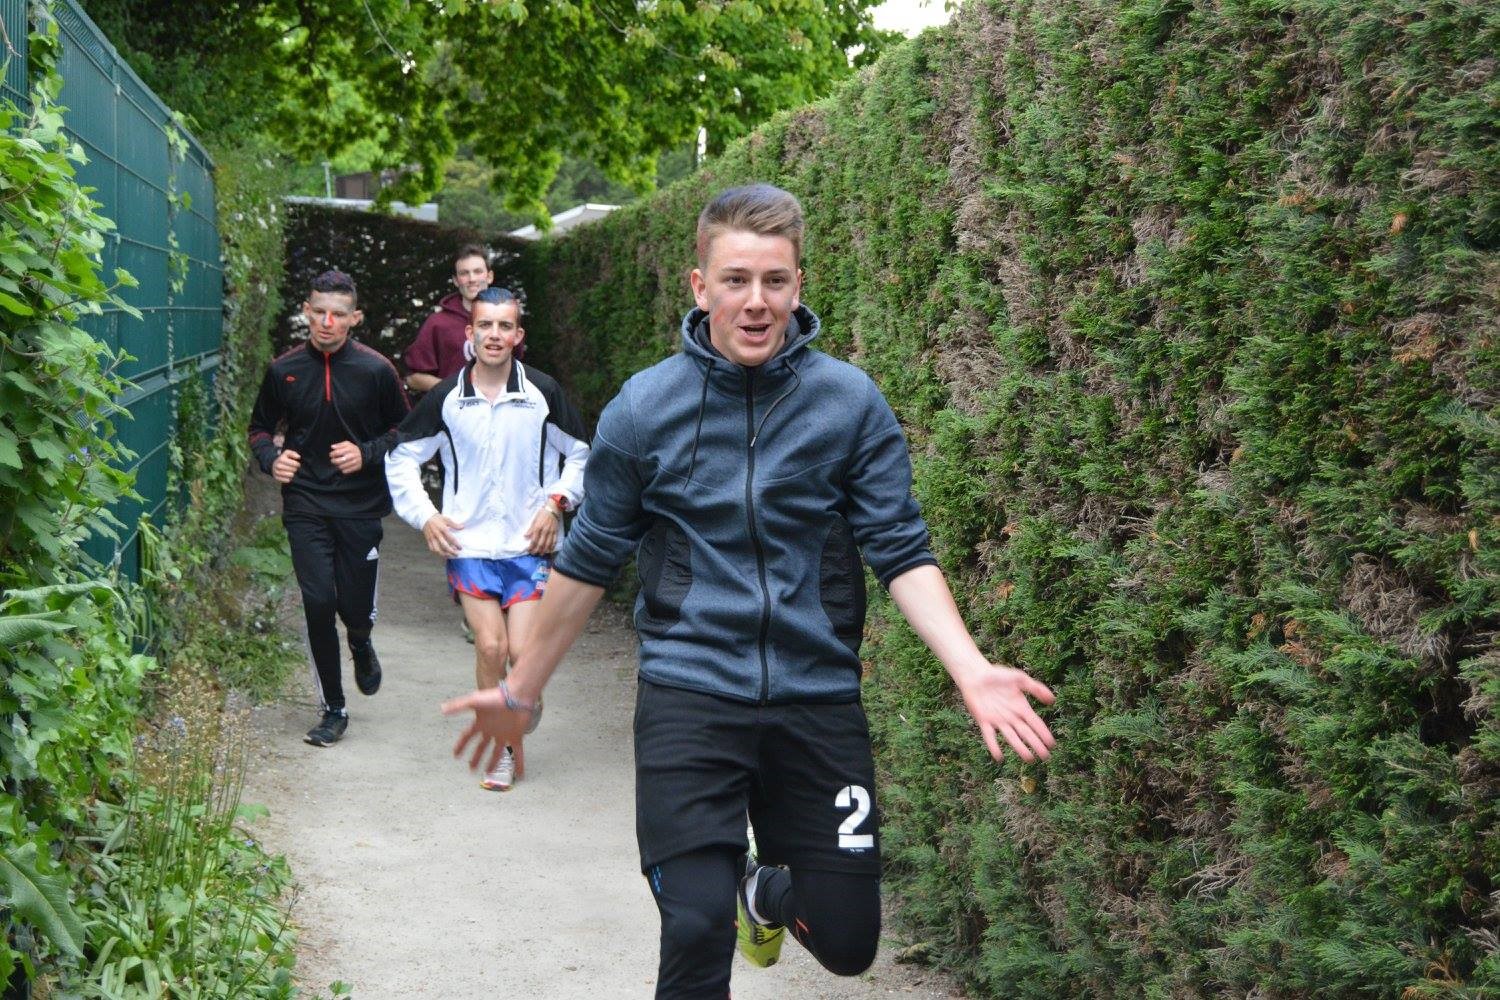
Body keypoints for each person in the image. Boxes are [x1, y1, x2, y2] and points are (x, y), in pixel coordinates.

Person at [441, 185, 1056, 995]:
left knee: (847, 942)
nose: (756, 301)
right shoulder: (645, 409)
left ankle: (762, 892)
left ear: (800, 285)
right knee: (695, 923)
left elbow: (900, 548)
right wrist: (522, 687)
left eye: (775, 280)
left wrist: (970, 669)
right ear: (701, 287)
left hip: (816, 698)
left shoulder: (849, 404)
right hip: (690, 695)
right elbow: (589, 562)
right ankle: (724, 897)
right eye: (736, 280)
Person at [387, 287, 589, 791]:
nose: (494, 335)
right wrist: (427, 517)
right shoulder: (446, 399)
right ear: (470, 333)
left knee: (522, 652)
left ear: (518, 335)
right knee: (492, 645)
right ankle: (504, 748)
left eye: (504, 326)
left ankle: (525, 693)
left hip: (529, 545)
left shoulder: (542, 393)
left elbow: (582, 455)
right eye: (485, 325)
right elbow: (402, 457)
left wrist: (556, 504)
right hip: (470, 545)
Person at [249, 269, 410, 747]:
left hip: (360, 505)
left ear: (354, 318)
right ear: (306, 311)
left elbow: (406, 432)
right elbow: (259, 429)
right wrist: (272, 459)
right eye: (318, 312)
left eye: (337, 314)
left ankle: (360, 638)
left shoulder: (376, 370)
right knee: (318, 601)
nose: (326, 322)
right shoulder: (284, 370)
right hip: (305, 500)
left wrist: (366, 453)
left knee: (353, 608)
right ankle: (333, 709)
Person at [403, 244, 494, 393]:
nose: (472, 279)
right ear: (456, 280)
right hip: (451, 407)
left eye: (477, 272)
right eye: (464, 273)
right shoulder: (438, 323)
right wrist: (458, 391)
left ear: (489, 276)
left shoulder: (506, 322)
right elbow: (413, 378)